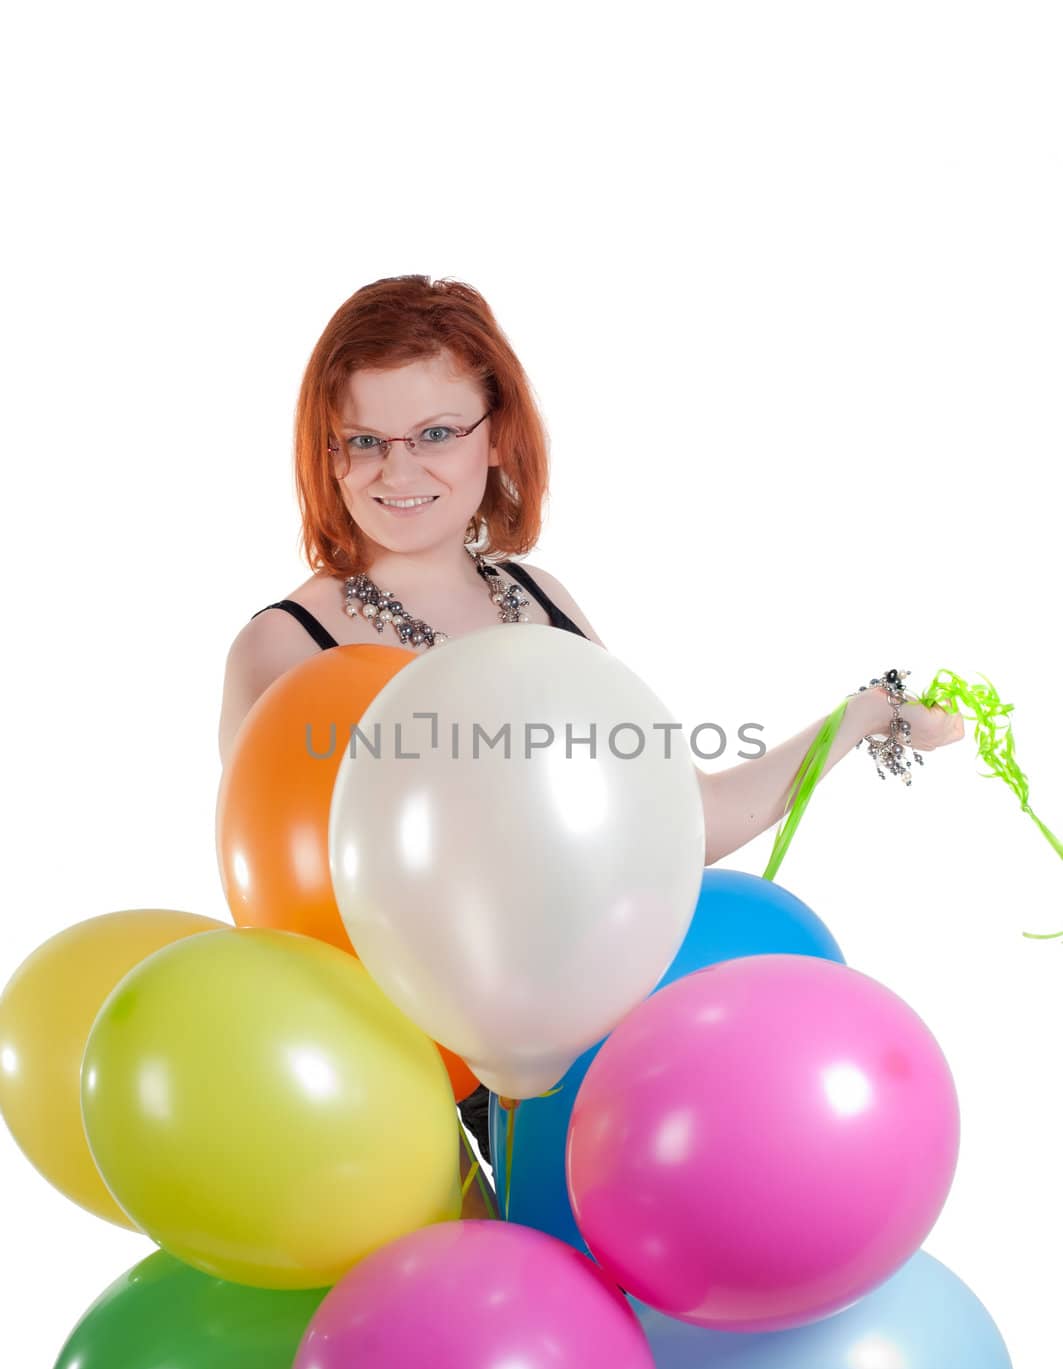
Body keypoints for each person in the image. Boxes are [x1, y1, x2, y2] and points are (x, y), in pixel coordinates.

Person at [217, 274, 965, 1200]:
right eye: (363, 441)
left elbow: (676, 819)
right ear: (326, 455)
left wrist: (865, 714)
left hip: (604, 1073)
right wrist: (440, 1177)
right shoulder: (288, 649)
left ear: (498, 433)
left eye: (436, 433)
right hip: (399, 1118)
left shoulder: (538, 600)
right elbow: (293, 948)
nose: (397, 471)